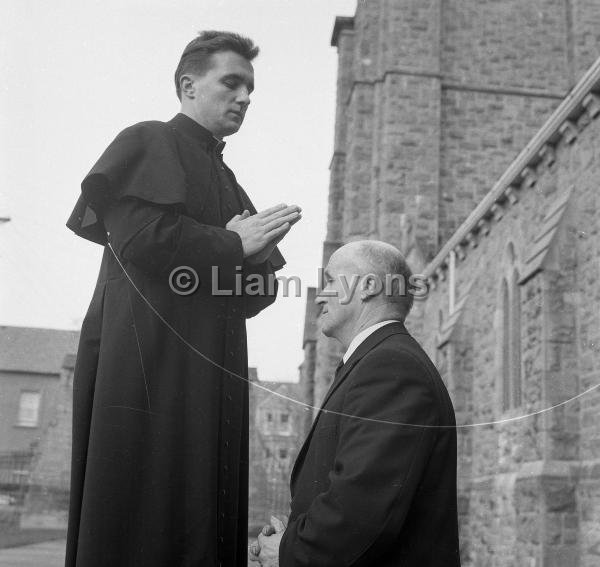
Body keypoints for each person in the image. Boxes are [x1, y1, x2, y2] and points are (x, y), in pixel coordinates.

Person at [65, 31, 301, 567]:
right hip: (149, 363)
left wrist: (248, 260)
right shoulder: (149, 142)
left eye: (251, 90)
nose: (243, 98)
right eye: (232, 83)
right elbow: (141, 238)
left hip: (212, 371)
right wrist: (232, 243)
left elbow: (250, 292)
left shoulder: (226, 177)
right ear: (188, 85)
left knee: (204, 509)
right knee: (143, 510)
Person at [250, 241, 460, 567]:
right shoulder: (372, 363)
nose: (320, 296)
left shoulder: (392, 368)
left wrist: (289, 551)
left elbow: (362, 509)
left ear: (368, 287)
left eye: (331, 281)